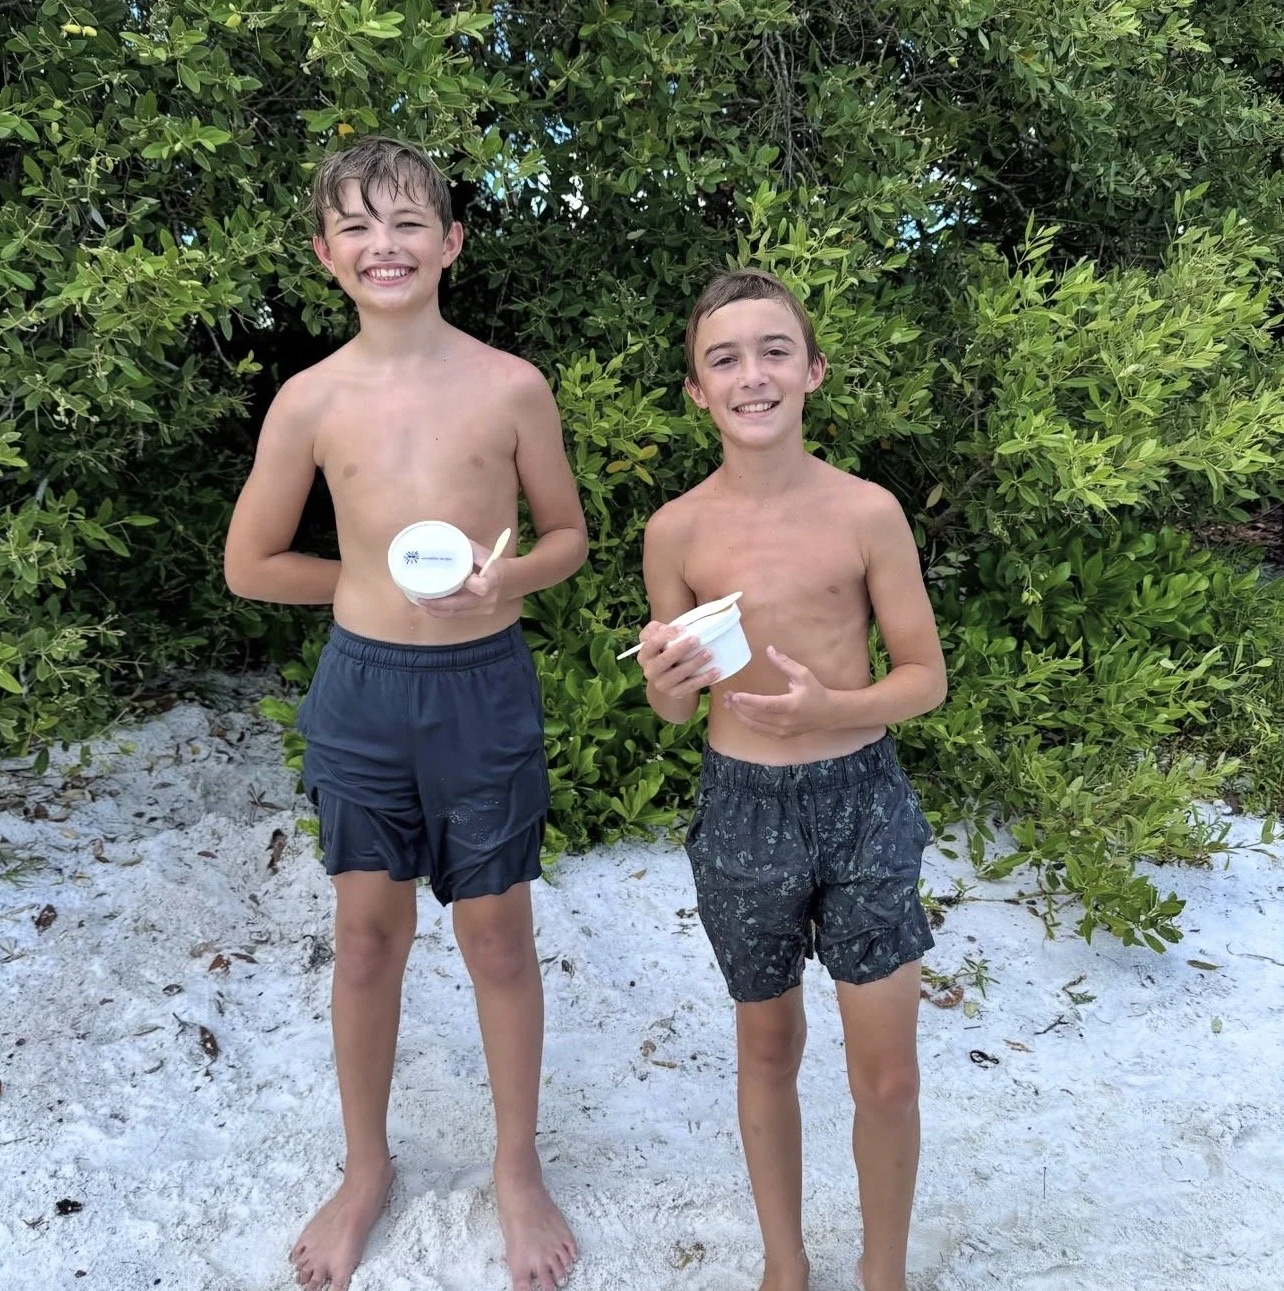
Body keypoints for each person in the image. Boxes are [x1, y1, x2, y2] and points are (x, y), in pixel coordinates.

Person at [223, 135, 587, 1291]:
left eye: (409, 222)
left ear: (451, 242)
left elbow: (568, 540)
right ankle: (365, 1164)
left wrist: (506, 580)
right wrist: (364, 584)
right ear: (328, 255)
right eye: (360, 228)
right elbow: (249, 562)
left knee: (498, 942)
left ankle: (517, 1165)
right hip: (362, 698)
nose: (386, 245)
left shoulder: (511, 385)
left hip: (482, 693)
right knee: (369, 941)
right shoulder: (311, 398)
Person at [636, 268, 947, 1291]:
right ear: (697, 389)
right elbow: (680, 708)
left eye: (774, 350)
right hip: (741, 809)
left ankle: (884, 1272)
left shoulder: (867, 512)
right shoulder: (675, 532)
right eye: (724, 358)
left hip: (863, 800)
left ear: (811, 371)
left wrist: (834, 712)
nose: (752, 374)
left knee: (886, 1071)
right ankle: (785, 1263)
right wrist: (664, 683)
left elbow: (924, 679)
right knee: (766, 1048)